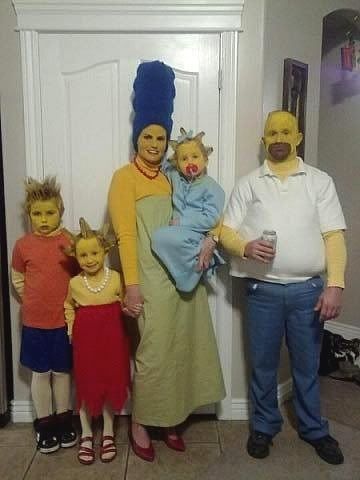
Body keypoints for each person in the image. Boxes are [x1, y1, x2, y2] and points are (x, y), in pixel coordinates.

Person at [108, 60, 225, 462]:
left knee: (180, 348)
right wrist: (133, 284)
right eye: (148, 136)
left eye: (161, 137)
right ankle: (142, 420)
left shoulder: (177, 176)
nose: (155, 144)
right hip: (151, 280)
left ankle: (170, 419)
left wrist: (211, 238)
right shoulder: (125, 178)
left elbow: (208, 211)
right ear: (137, 137)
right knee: (154, 350)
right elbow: (125, 234)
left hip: (185, 275)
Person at [220, 110, 347, 465]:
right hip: (263, 292)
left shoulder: (319, 181)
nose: (278, 138)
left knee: (306, 365)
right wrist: (244, 247)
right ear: (264, 141)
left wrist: (335, 284)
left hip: (309, 290)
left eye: (285, 132)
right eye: (272, 133)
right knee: (262, 364)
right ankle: (264, 427)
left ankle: (314, 429)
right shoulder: (249, 183)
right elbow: (225, 230)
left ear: (298, 137)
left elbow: (334, 236)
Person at [11, 177, 78, 454]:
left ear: (60, 211)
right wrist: (30, 299)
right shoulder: (23, 245)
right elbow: (18, 277)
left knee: (62, 372)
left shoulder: (69, 242)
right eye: (37, 213)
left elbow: (78, 276)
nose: (43, 219)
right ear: (29, 215)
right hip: (34, 323)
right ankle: (45, 424)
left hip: (63, 322)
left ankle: (63, 419)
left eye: (49, 212)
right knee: (41, 373)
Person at [64, 218, 130, 465]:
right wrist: (71, 329)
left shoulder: (115, 278)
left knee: (110, 383)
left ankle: (109, 431)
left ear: (104, 251)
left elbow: (123, 304)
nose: (89, 259)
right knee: (86, 384)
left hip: (112, 340)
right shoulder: (74, 283)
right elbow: (68, 306)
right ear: (75, 257)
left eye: (94, 253)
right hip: (86, 341)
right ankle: (87, 434)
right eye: (83, 255)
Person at [151, 127, 225, 292]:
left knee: (162, 236)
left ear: (205, 160)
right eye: (184, 159)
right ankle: (189, 268)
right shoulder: (176, 177)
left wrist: (182, 221)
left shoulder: (212, 187)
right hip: (179, 232)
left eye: (195, 156)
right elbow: (163, 165)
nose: (190, 162)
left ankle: (200, 262)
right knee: (157, 238)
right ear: (177, 164)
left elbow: (212, 218)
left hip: (196, 233)